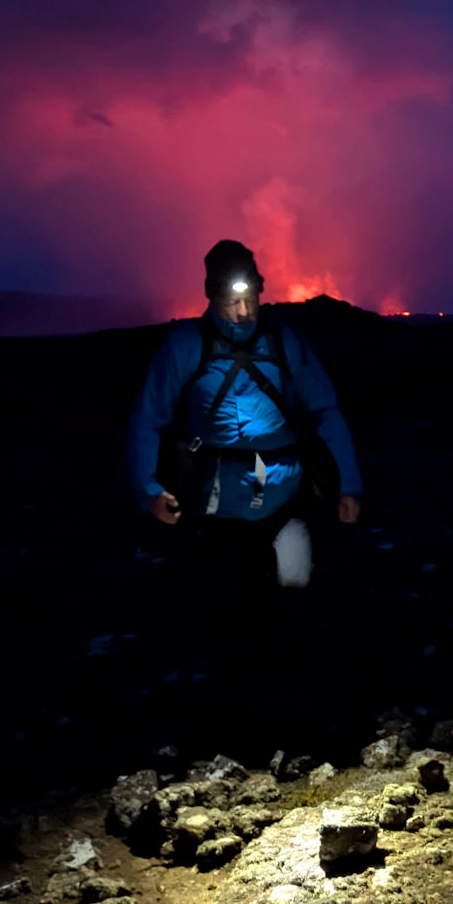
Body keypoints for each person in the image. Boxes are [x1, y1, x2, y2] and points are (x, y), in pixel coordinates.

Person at [126, 240, 363, 622]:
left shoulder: (284, 343)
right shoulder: (185, 347)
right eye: (231, 302)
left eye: (250, 299)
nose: (243, 312)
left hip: (286, 499)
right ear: (212, 297)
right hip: (216, 509)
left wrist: (348, 486)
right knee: (228, 611)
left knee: (294, 599)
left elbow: (326, 412)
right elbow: (147, 421)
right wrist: (148, 491)